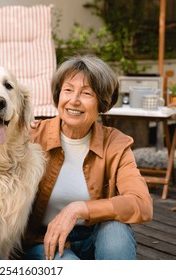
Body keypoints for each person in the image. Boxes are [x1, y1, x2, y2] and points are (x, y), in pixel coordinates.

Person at [21, 55, 153, 260]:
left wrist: (79, 209)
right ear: (58, 95)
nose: (74, 100)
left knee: (116, 234)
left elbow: (141, 203)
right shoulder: (32, 136)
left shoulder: (115, 144)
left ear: (102, 103)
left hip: (96, 234)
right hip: (44, 239)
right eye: (68, 90)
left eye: (86, 93)